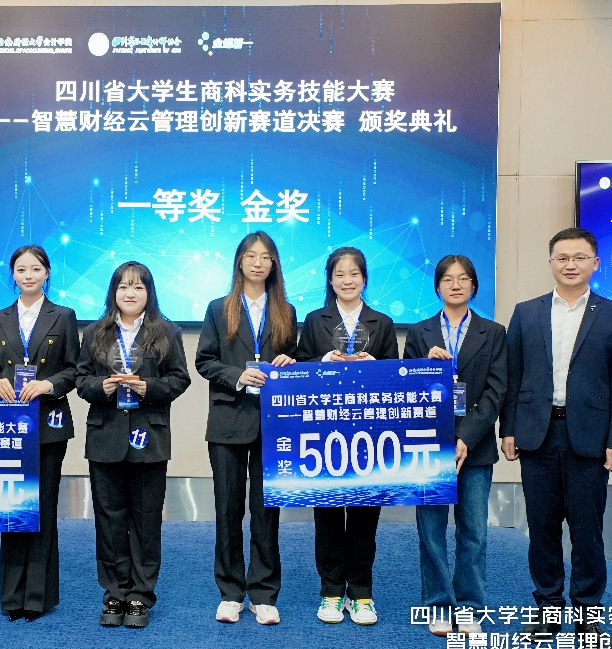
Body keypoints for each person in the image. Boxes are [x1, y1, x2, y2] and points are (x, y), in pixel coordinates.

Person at [500, 227, 612, 649]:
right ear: (550, 263)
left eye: (579, 257)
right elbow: (513, 378)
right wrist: (508, 429)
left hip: (590, 439)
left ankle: (589, 615)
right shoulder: (527, 313)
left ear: (595, 263)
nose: (570, 264)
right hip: (537, 434)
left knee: (587, 530)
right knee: (541, 527)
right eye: (562, 257)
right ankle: (547, 609)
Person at [75, 261, 190, 628]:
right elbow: (81, 380)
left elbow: (180, 379)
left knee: (145, 519)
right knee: (109, 519)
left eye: (138, 287)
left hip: (148, 437)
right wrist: (101, 387)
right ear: (113, 292)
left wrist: (148, 388)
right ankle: (114, 592)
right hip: (105, 435)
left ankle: (141, 594)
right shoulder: (95, 332)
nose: (130, 293)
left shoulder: (166, 331)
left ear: (149, 293)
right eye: (123, 286)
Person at [195, 231, 297, 625]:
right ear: (240, 261)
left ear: (274, 264)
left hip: (274, 422)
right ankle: (231, 592)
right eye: (251, 255)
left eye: (266, 256)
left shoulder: (285, 311)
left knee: (267, 509)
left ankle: (264, 593)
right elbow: (205, 361)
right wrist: (238, 375)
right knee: (228, 508)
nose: (258, 262)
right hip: (228, 419)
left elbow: (297, 359)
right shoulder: (218, 309)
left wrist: (290, 362)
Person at [403, 255, 507, 637]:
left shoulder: (493, 332)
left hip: (475, 448)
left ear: (474, 286)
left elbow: (496, 391)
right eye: (448, 279)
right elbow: (406, 388)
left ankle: (471, 608)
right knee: (431, 530)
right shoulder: (420, 332)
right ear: (437, 287)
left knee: (474, 532)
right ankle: (437, 604)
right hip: (429, 445)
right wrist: (424, 365)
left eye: (463, 278)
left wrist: (465, 437)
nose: (456, 285)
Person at [295, 247, 398, 626]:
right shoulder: (314, 320)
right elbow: (300, 368)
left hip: (369, 433)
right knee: (326, 515)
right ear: (330, 280)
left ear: (364, 278)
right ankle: (331, 591)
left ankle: (362, 593)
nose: (347, 280)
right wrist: (323, 361)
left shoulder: (382, 323)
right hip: (325, 433)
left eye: (354, 273)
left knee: (365, 516)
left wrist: (376, 366)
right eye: (340, 274)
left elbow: (396, 379)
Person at [0, 245, 80, 622]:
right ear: (13, 275)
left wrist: (48, 385)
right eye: (21, 269)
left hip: (48, 422)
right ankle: (12, 596)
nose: (28, 275)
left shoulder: (63, 316)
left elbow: (74, 369)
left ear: (47, 273)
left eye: (35, 269)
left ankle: (37, 597)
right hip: (8, 424)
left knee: (43, 507)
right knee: (11, 507)